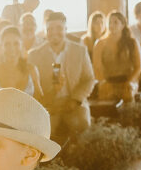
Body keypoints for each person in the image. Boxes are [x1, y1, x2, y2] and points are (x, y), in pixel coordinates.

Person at [28, 11, 96, 143]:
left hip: (74, 102)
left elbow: (89, 79)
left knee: (81, 124)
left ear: (65, 29)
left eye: (59, 28)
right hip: (49, 105)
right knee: (44, 132)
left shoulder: (80, 51)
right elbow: (32, 88)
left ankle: (79, 159)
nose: (54, 32)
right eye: (50, 29)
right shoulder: (34, 55)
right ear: (45, 32)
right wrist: (48, 101)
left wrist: (75, 100)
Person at [93, 11, 141, 102]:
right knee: (106, 91)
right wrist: (103, 82)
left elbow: (138, 66)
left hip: (127, 80)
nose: (112, 25)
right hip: (108, 80)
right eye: (110, 22)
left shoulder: (132, 43)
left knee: (128, 92)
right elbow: (97, 68)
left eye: (115, 22)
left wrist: (130, 81)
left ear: (123, 25)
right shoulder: (100, 44)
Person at [0, 25, 39, 96]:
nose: (12, 48)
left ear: (21, 45)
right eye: (7, 44)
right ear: (0, 47)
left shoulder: (31, 70)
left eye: (16, 44)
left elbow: (40, 100)